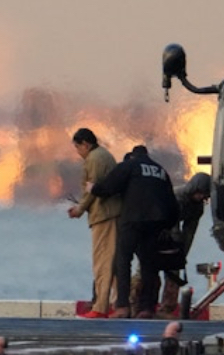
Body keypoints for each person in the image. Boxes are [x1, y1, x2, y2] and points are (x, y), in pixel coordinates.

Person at [90, 144, 179, 319]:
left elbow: (108, 187)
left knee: (123, 260)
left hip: (132, 220)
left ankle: (123, 306)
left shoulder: (130, 165)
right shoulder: (161, 171)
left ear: (132, 155)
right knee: (149, 265)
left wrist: (93, 189)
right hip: (155, 223)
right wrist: (166, 226)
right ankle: (147, 308)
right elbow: (172, 205)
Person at [68, 128, 122, 319]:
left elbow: (93, 188)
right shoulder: (104, 155)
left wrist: (80, 209)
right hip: (112, 213)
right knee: (113, 263)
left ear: (85, 144)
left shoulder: (94, 158)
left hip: (104, 215)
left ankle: (100, 307)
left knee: (103, 262)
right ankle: (118, 303)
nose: (78, 152)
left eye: (77, 147)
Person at [157, 172, 211, 317]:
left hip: (172, 235)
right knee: (147, 270)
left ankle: (167, 309)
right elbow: (172, 223)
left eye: (204, 195)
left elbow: (190, 231)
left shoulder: (198, 207)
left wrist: (182, 254)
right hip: (156, 229)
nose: (201, 197)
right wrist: (175, 244)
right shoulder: (176, 196)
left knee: (174, 272)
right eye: (200, 193)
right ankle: (140, 305)